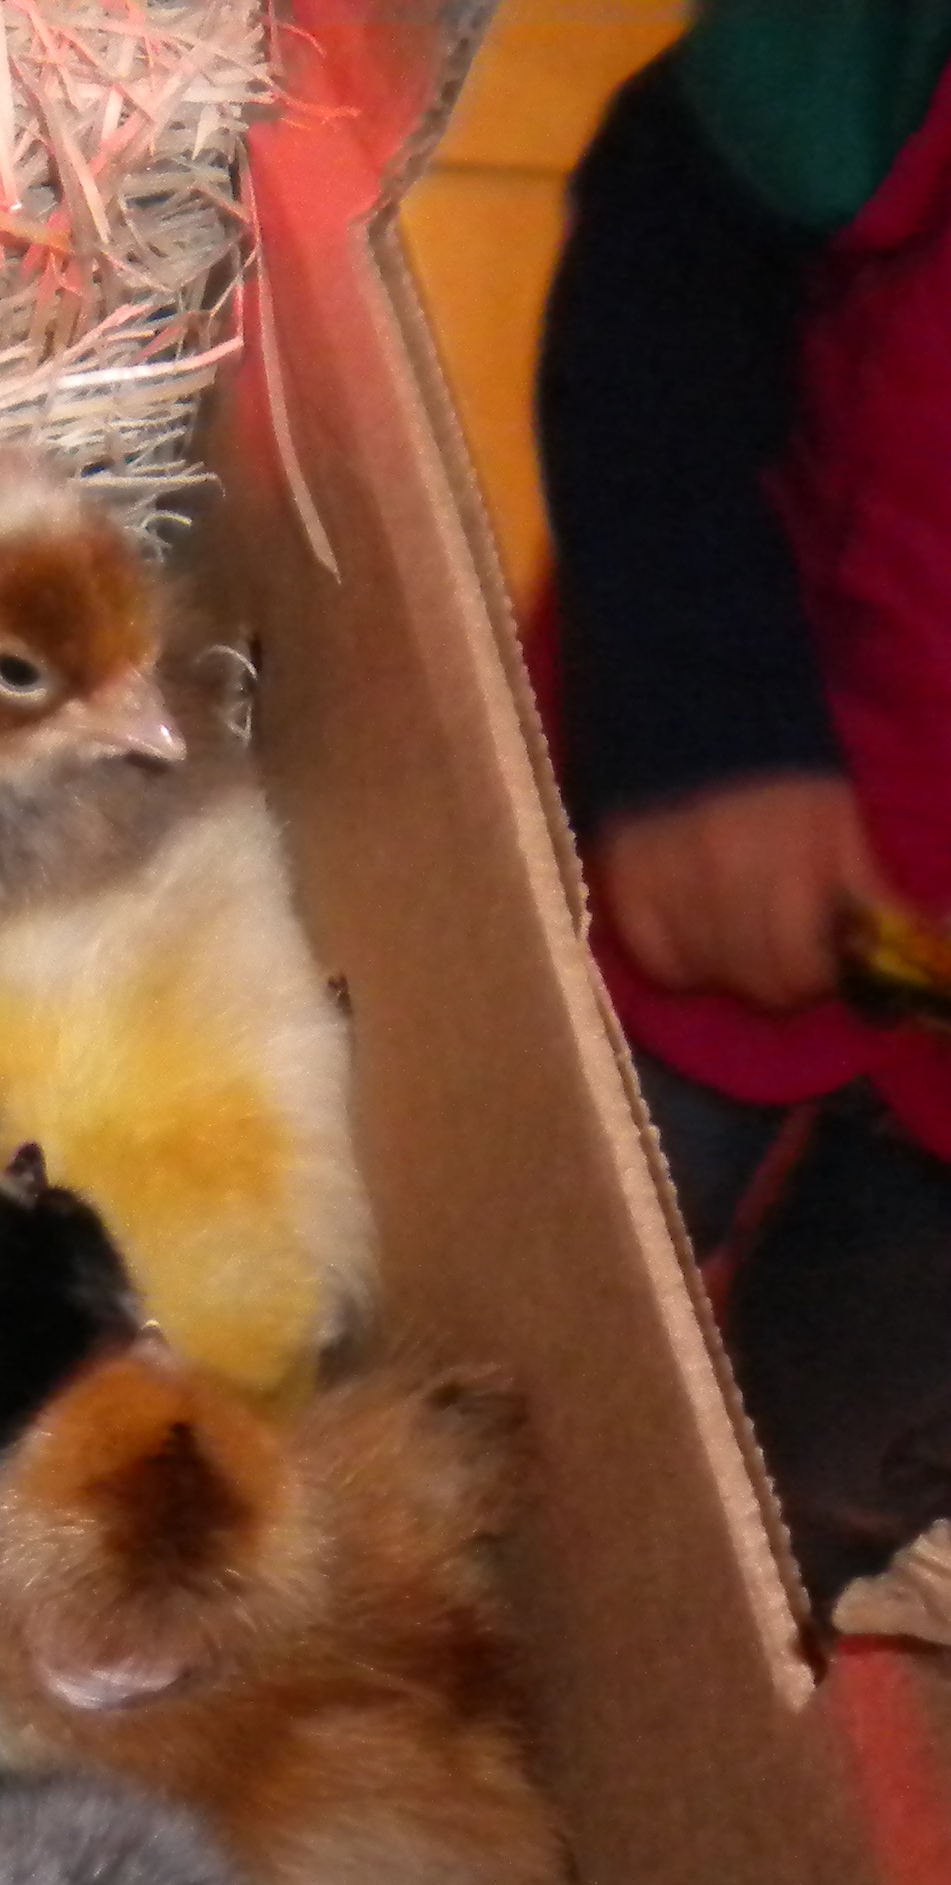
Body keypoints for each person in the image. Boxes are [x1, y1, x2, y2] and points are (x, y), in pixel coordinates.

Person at [540, 1, 951, 1614]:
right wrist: (704, 722)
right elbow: (677, 233)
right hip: (721, 845)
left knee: (797, 1515)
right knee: (508, 1308)